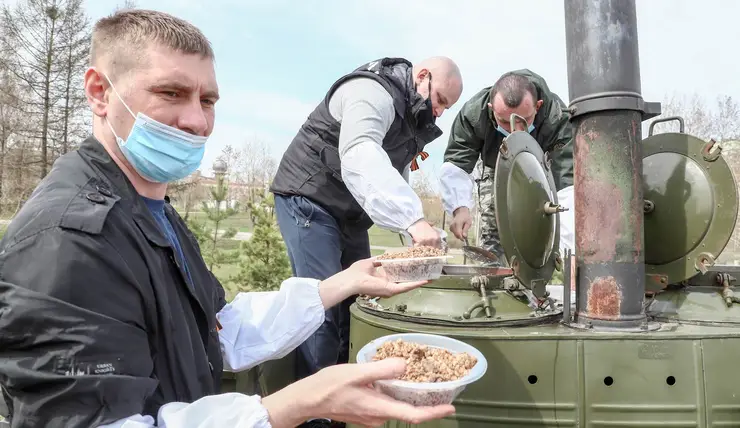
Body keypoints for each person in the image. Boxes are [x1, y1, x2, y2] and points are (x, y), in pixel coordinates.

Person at [0, 9, 456, 428]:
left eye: (209, 100)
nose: (197, 121)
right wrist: (290, 406)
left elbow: (216, 331)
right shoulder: (66, 243)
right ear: (100, 92)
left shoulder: (153, 213)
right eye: (170, 93)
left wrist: (346, 281)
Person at [268, 56, 464, 386]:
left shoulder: (409, 121)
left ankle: (344, 399)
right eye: (440, 99)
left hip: (348, 214)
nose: (441, 111)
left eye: (448, 107)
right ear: (423, 76)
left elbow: (394, 180)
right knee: (323, 309)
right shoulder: (371, 91)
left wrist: (418, 233)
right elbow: (360, 154)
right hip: (309, 199)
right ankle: (315, 415)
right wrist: (413, 220)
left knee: (360, 300)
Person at [440, 69, 575, 263]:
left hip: (540, 173)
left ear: (538, 106)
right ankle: (493, 280)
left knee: (536, 229)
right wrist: (459, 207)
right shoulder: (474, 114)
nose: (514, 130)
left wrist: (569, 251)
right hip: (495, 168)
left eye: (524, 121)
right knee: (494, 237)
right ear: (490, 108)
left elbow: (566, 182)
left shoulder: (558, 118)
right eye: (504, 121)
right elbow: (456, 163)